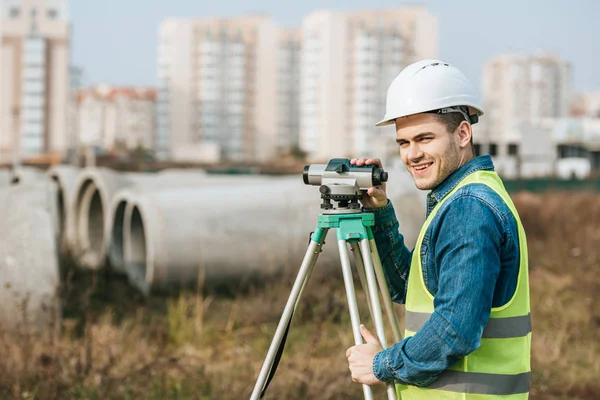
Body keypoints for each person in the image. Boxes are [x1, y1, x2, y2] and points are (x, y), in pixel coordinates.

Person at [345, 59, 532, 399]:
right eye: (403, 142)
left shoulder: (469, 209)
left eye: (424, 138)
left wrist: (380, 365)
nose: (412, 154)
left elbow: (454, 331)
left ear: (463, 133)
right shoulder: (463, 197)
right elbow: (410, 289)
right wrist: (381, 212)